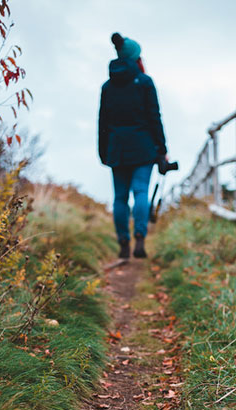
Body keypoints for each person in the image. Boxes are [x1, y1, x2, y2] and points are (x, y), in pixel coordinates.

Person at [98, 32, 168, 259]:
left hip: (117, 149)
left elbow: (103, 123)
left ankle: (123, 243)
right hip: (143, 148)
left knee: (120, 198)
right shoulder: (145, 83)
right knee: (140, 192)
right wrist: (162, 149)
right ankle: (139, 238)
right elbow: (154, 117)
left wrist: (104, 152)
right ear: (136, 58)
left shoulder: (107, 87)